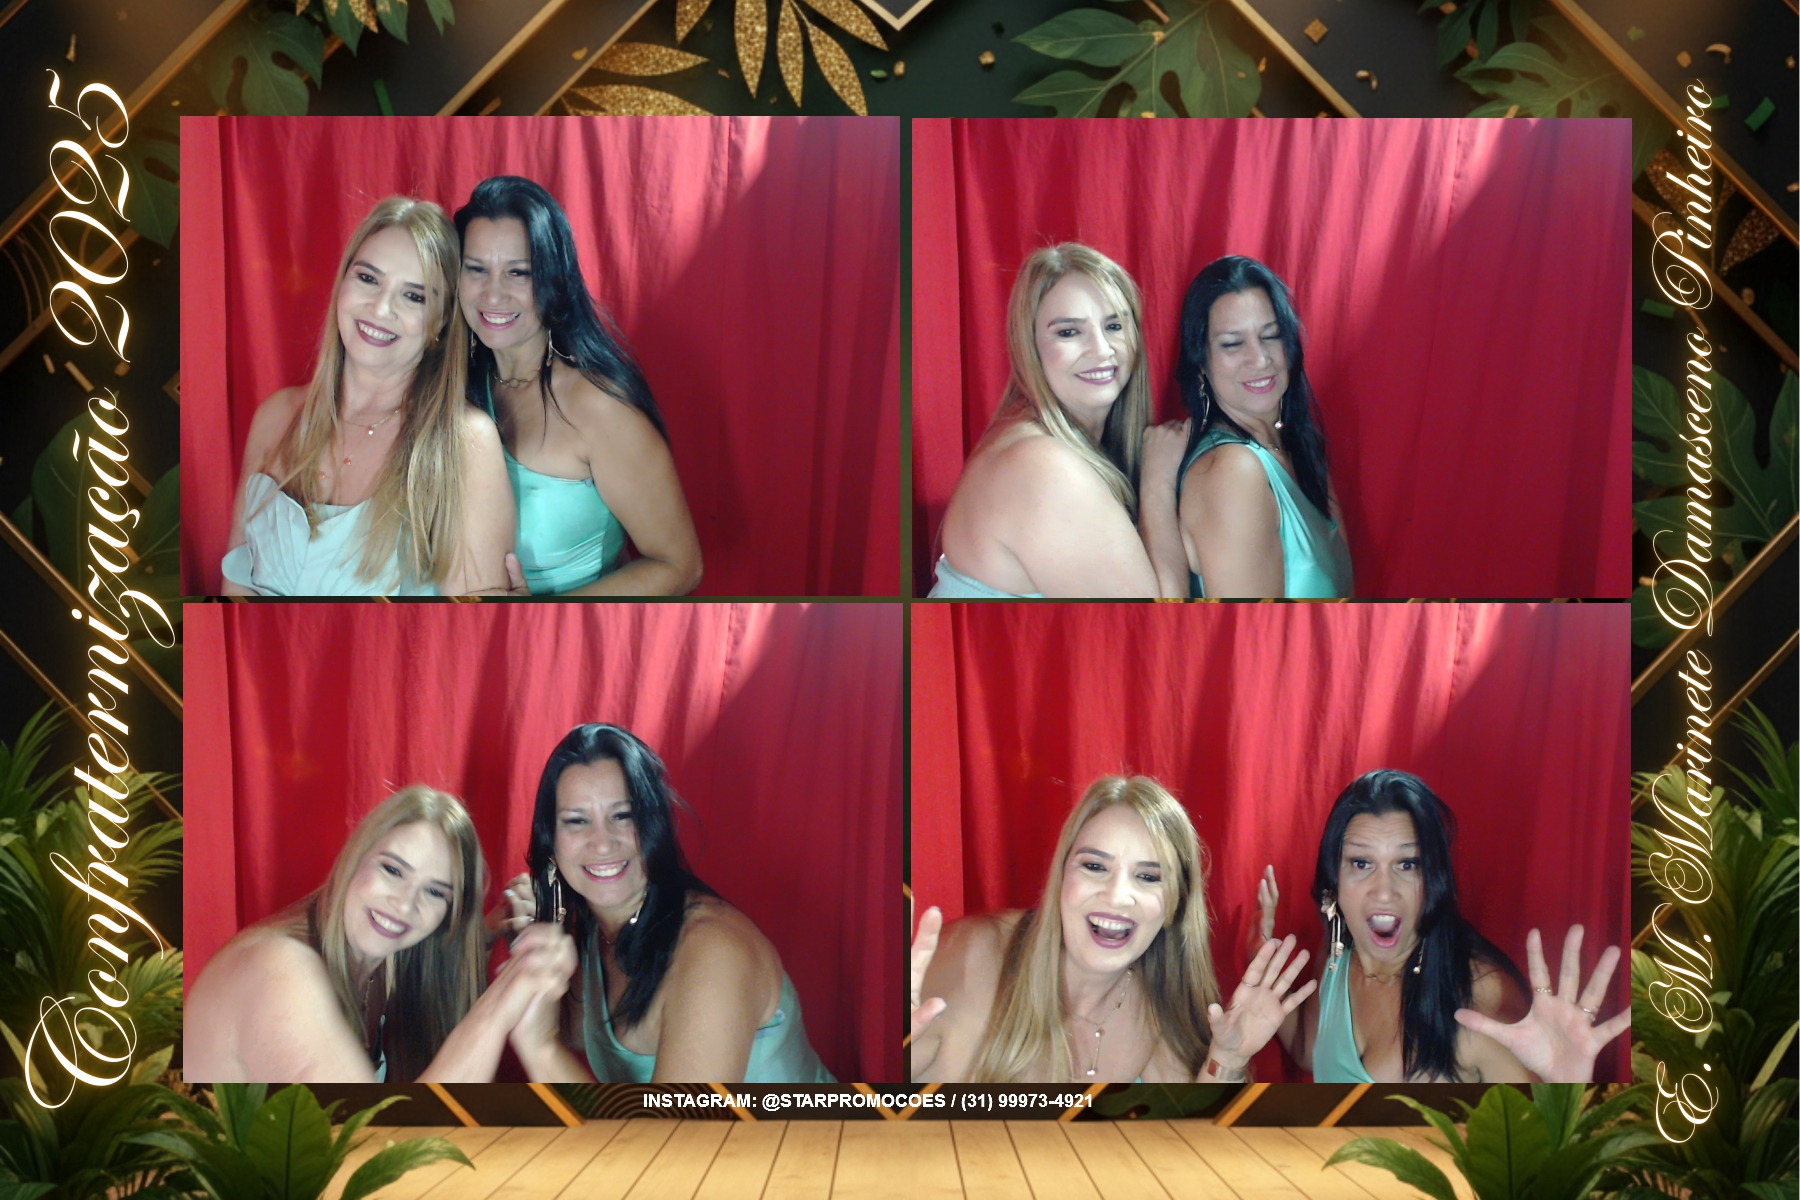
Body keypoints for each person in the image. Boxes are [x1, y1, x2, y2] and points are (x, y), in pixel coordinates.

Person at [909, 776, 1314, 1082]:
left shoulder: (1162, 1011)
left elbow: (1188, 1149)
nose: (1118, 896)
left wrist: (1227, 1060)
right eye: (1094, 866)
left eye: (1148, 877)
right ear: (1061, 877)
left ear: (1174, 905)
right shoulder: (974, 958)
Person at [493, 724, 832, 1082]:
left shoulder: (712, 950)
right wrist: (524, 940)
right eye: (577, 821)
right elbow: (577, 1030)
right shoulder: (598, 928)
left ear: (654, 824)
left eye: (623, 816)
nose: (602, 843)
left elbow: (671, 1127)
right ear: (551, 841)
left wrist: (541, 1049)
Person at [222, 196, 514, 596]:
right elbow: (233, 588)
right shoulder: (276, 416)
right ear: (343, 281)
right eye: (368, 278)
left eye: (414, 296)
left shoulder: (465, 441)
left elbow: (471, 624)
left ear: (441, 322)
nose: (380, 308)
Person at [1261, 769, 1630, 1082]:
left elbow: (1534, 1139)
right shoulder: (1338, 949)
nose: (1384, 892)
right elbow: (1310, 1050)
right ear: (1334, 881)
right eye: (1361, 863)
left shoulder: (1480, 1005)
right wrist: (1260, 963)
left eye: (1407, 864)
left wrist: (1563, 1091)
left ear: (1434, 880)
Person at [183, 786, 570, 1082]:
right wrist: (504, 1000)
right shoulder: (277, 969)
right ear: (356, 855)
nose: (404, 905)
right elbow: (382, 1146)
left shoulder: (385, 960)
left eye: (435, 892)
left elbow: (441, 957)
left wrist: (496, 930)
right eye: (392, 870)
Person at [454, 177, 702, 596]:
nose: (493, 294)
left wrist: (536, 621)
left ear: (554, 278)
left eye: (519, 272)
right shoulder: (457, 382)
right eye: (477, 269)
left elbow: (680, 566)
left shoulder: (598, 406)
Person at [929, 244, 1184, 598]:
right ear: (1030, 347)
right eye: (1068, 332)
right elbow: (1156, 619)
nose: (1102, 349)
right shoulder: (1044, 467)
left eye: (1114, 326)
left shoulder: (1041, 441)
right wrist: (1158, 484)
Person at [1159, 255, 1353, 598]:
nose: (1260, 359)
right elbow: (1250, 627)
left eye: (1271, 335)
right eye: (1232, 344)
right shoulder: (1232, 470)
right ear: (1200, 362)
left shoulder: (1297, 448)